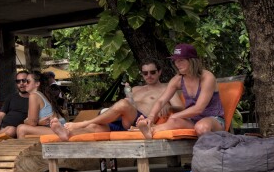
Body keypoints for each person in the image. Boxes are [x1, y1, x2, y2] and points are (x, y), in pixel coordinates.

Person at [50, 60, 182, 141]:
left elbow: (181, 108)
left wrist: (169, 107)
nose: (149, 76)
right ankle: (67, 133)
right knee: (95, 127)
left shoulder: (167, 88)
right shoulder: (136, 89)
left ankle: (82, 123)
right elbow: (128, 104)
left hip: (141, 121)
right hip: (125, 120)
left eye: (152, 72)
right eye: (145, 73)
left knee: (124, 104)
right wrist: (129, 97)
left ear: (159, 72)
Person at [136, 43, 225, 139]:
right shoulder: (178, 79)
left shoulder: (207, 77)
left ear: (192, 61)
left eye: (181, 60)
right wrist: (150, 118)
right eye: (175, 61)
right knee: (174, 122)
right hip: (192, 120)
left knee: (201, 127)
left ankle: (208, 153)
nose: (177, 64)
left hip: (214, 120)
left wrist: (176, 115)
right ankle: (150, 130)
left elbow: (199, 108)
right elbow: (161, 101)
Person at [15, 71, 67, 138]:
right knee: (21, 128)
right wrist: (38, 122)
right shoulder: (40, 94)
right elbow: (34, 121)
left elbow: (32, 122)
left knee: (21, 128)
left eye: (27, 81)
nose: (24, 83)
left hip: (60, 129)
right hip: (59, 126)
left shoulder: (34, 96)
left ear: (37, 83)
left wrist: (26, 121)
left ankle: (23, 148)